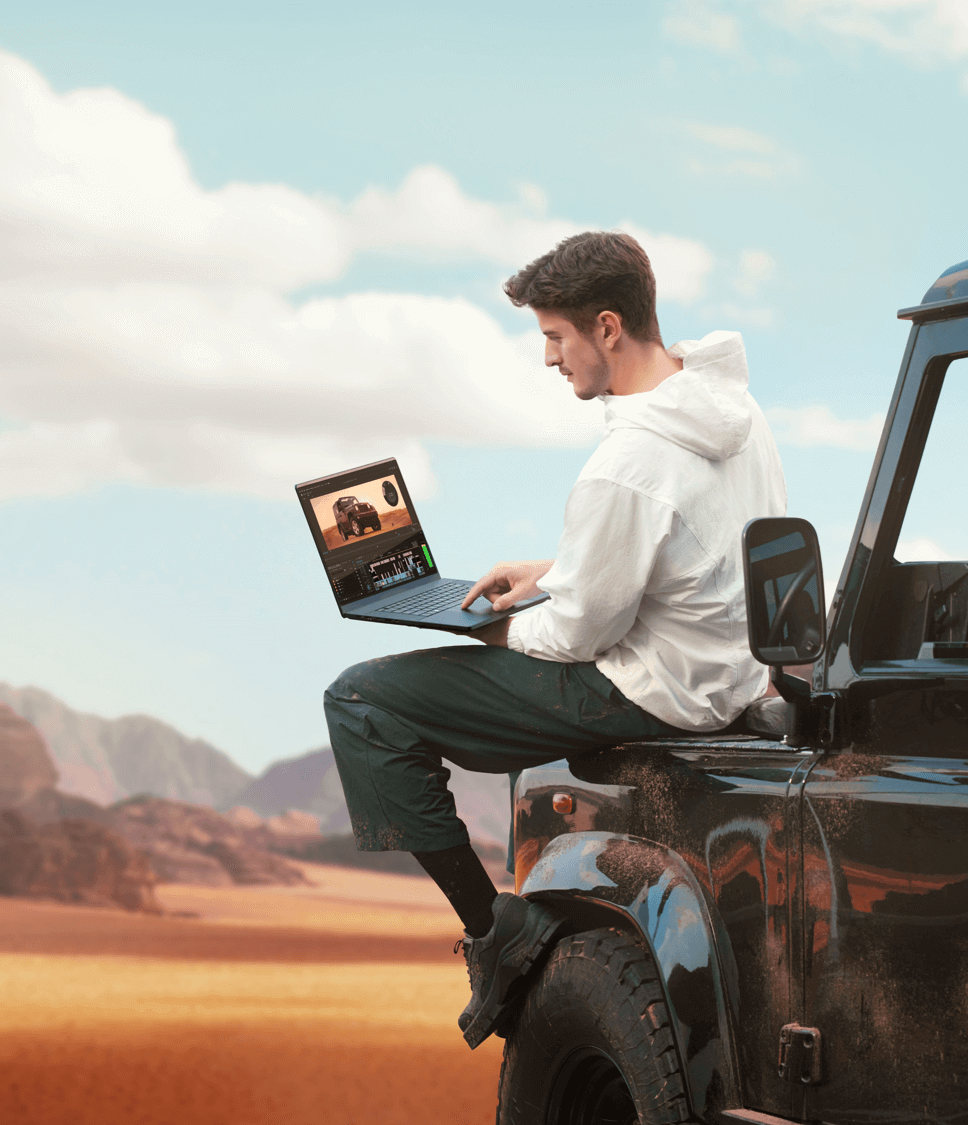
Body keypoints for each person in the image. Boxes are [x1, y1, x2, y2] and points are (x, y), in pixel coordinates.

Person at [322, 231, 787, 1048]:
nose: (548, 358)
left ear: (608, 327)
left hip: (646, 687)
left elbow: (574, 635)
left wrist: (479, 620)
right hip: (728, 667)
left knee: (362, 700)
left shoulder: (628, 462)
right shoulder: (731, 412)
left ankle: (493, 926)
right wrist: (554, 567)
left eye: (554, 336)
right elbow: (695, 545)